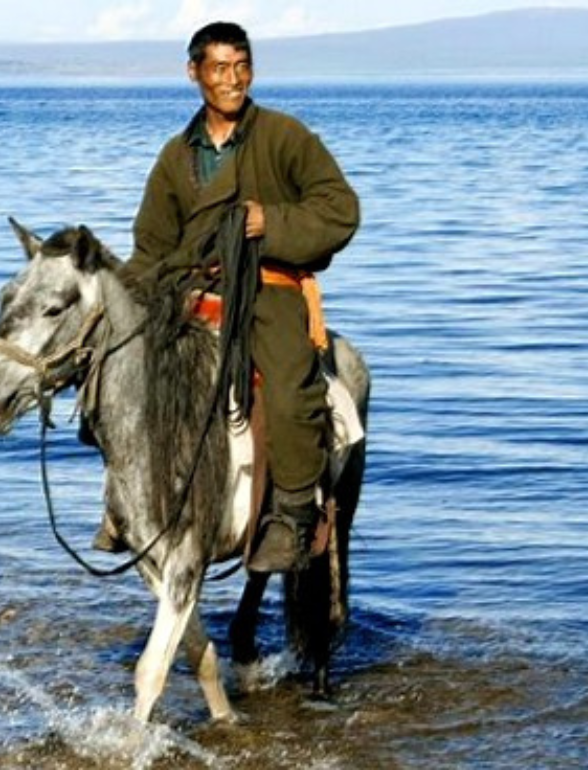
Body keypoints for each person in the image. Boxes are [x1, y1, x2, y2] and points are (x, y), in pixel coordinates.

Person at [94, 21, 359, 573]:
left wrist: (273, 222)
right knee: (120, 370)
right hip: (189, 291)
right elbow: (151, 246)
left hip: (270, 288)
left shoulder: (285, 137)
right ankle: (125, 503)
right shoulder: (176, 156)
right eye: (218, 68)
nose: (232, 80)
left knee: (290, 384)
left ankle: (290, 516)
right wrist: (116, 301)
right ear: (194, 73)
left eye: (241, 67)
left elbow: (340, 209)